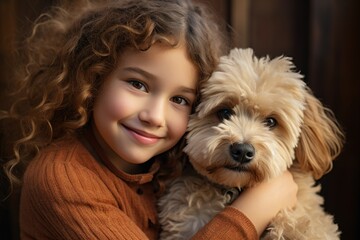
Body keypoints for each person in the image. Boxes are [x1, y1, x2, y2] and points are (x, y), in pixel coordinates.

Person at [1, 0, 298, 239]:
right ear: (93, 78)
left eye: (180, 100)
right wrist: (255, 208)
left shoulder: (169, 167)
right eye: (138, 84)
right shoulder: (61, 179)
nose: (154, 116)